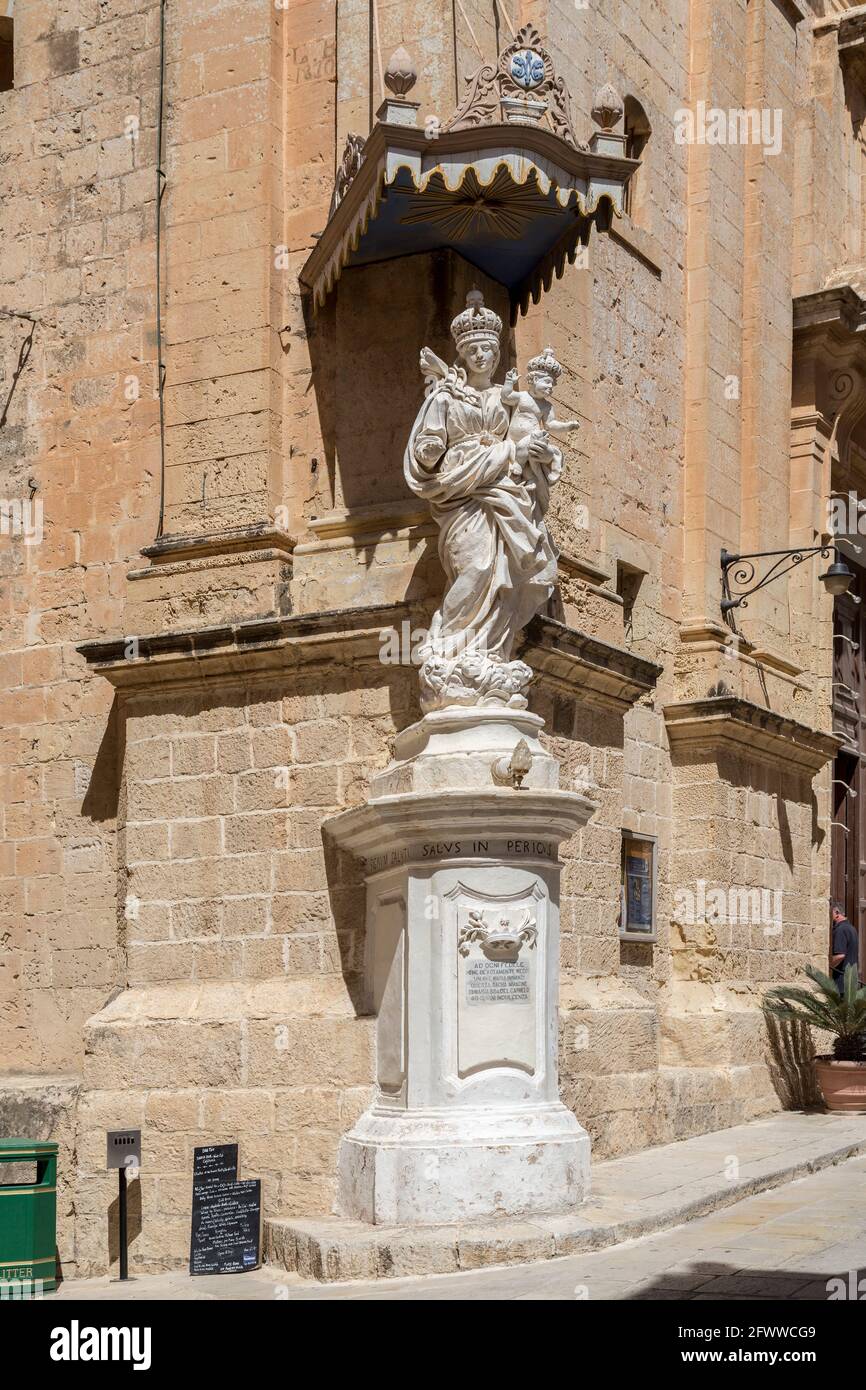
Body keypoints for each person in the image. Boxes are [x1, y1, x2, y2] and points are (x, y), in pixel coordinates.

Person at [830, 901, 860, 993]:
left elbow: (840, 955)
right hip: (851, 982)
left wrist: (828, 966)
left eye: (831, 913)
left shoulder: (841, 929)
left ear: (837, 913)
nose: (830, 917)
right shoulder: (852, 928)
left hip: (841, 983)